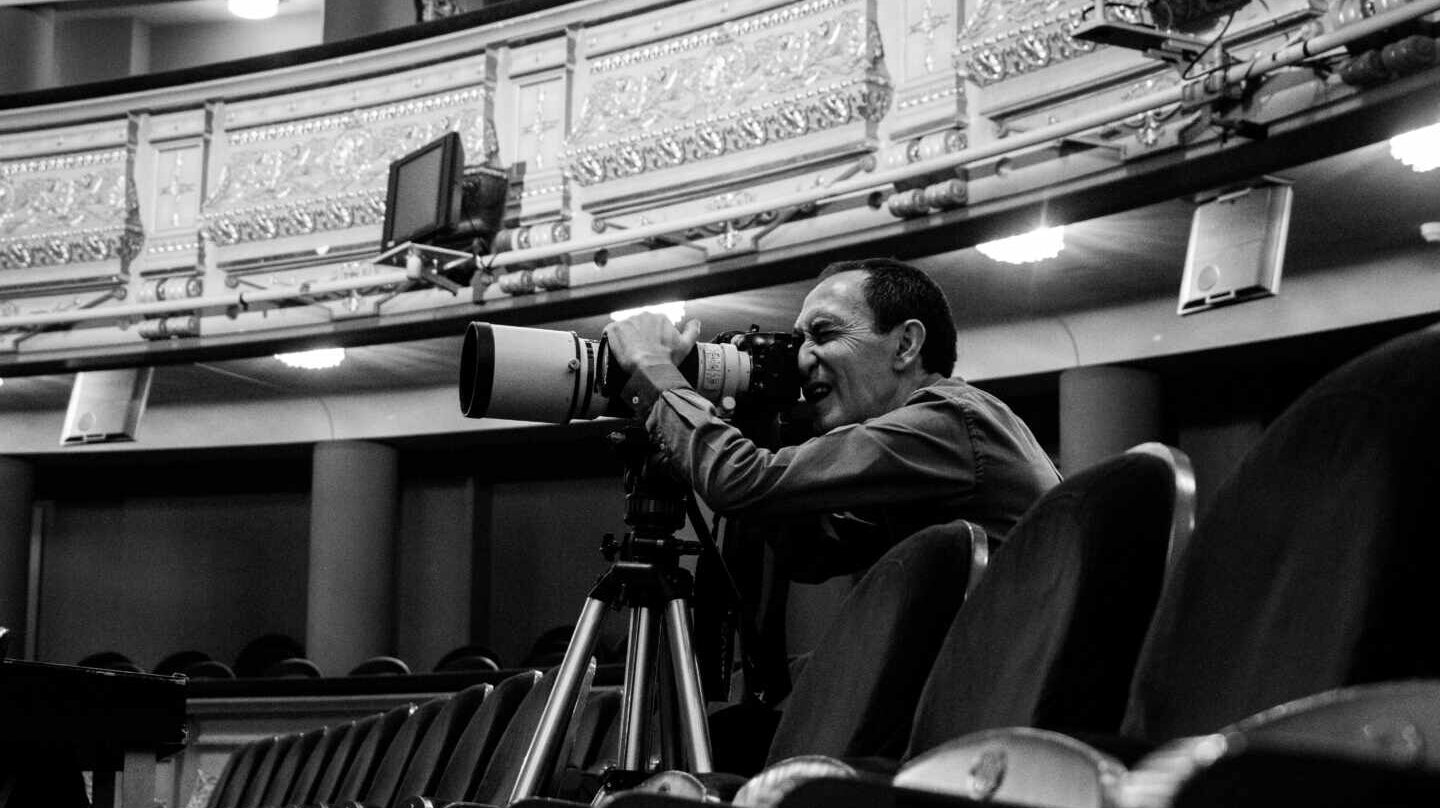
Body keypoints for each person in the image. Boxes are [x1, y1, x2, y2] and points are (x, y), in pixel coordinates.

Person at [604, 257, 1060, 581]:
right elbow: (813, 554)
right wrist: (758, 416)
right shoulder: (943, 442)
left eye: (824, 334)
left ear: (905, 345)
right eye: (800, 341)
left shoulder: (949, 420)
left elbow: (738, 481)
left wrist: (652, 369)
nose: (803, 360)